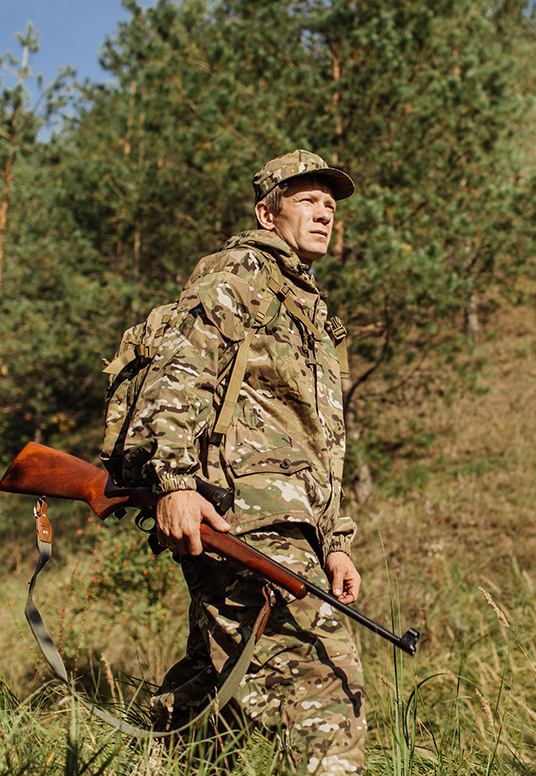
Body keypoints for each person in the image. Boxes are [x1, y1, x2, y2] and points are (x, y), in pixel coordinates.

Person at [133, 150, 366, 775]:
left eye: (330, 204)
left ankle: (138, 759)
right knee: (325, 685)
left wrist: (334, 540)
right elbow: (179, 372)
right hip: (239, 518)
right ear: (268, 212)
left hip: (292, 528)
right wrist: (177, 484)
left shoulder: (310, 309)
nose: (325, 212)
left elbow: (319, 440)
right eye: (307, 200)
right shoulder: (239, 272)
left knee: (215, 690)